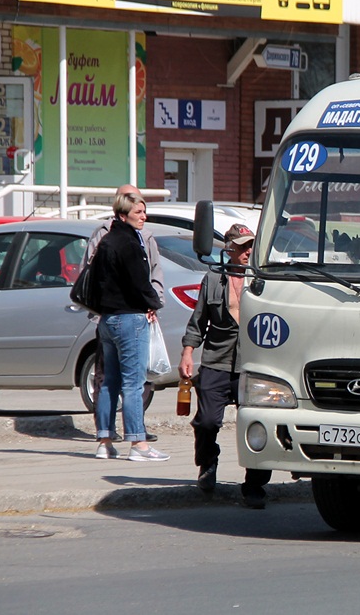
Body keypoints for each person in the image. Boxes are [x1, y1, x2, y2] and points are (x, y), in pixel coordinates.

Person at [179, 223, 273, 508]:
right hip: (217, 359)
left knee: (260, 424)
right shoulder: (213, 279)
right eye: (243, 246)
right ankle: (207, 464)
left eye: (251, 246)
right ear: (229, 250)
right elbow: (198, 321)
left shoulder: (263, 279)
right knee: (207, 421)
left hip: (254, 363)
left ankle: (255, 485)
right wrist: (187, 353)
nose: (248, 252)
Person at [82, 184, 165, 443]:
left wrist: (154, 302)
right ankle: (137, 441)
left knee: (114, 382)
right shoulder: (121, 240)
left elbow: (155, 274)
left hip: (111, 317)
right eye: (138, 211)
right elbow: (139, 281)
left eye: (144, 210)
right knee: (130, 383)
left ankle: (105, 441)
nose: (143, 216)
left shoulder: (138, 237)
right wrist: (152, 303)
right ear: (122, 213)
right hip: (126, 318)